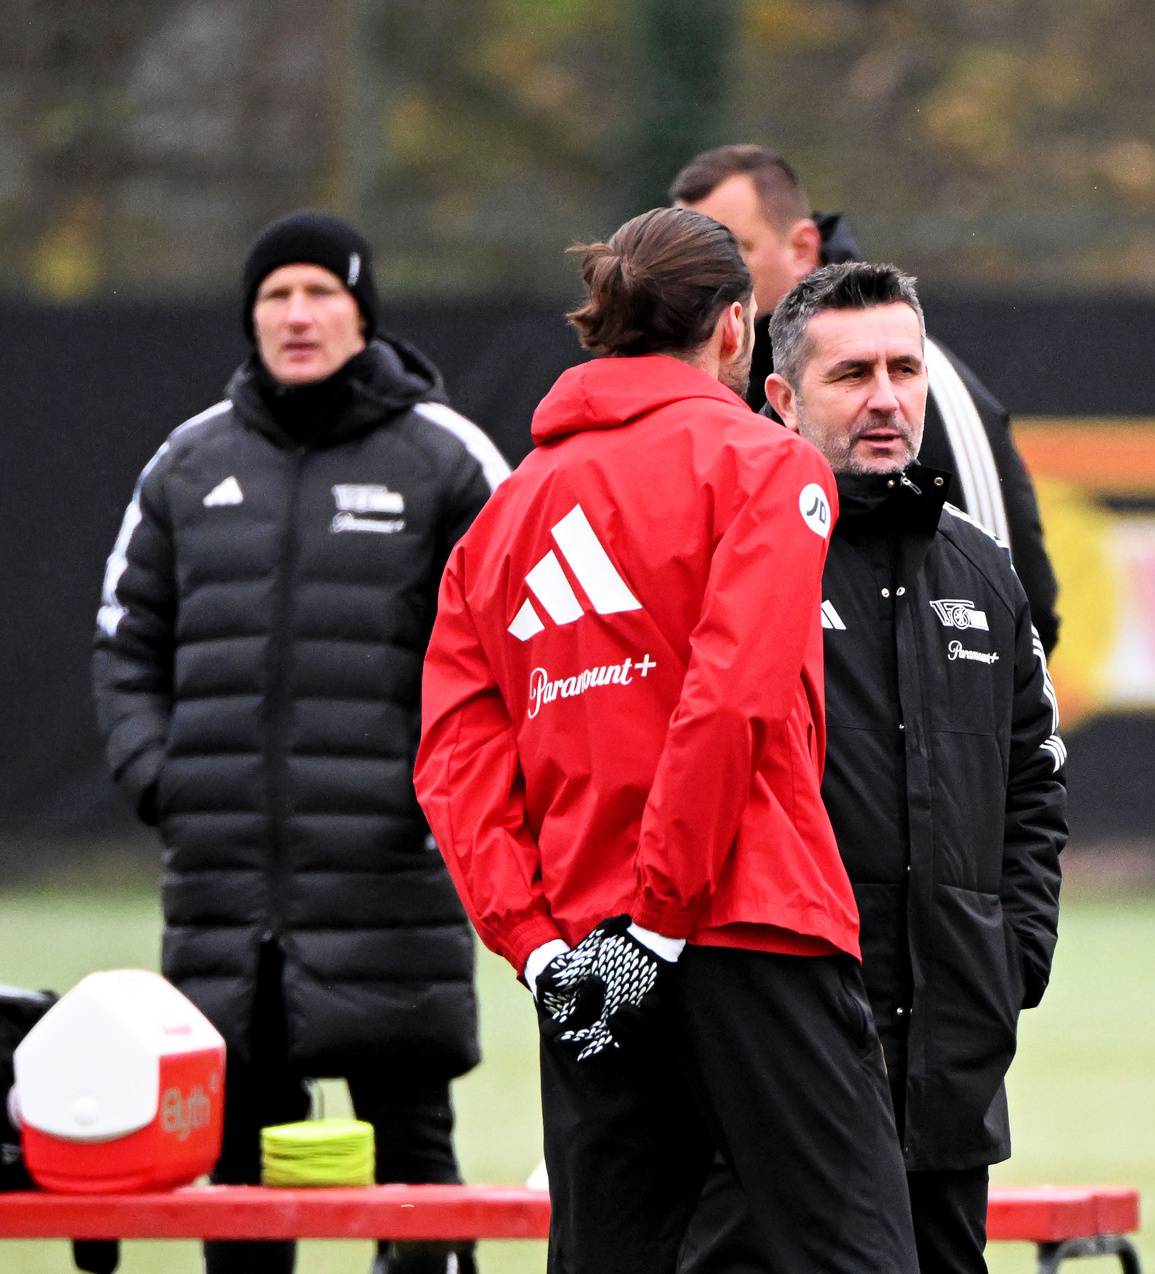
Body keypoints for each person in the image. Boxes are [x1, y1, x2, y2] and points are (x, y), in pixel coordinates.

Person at [413, 208, 918, 1274]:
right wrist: (660, 919)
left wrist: (545, 950)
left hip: (587, 958)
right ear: (737, 328)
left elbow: (456, 767)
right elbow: (729, 701)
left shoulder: (501, 521)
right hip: (748, 926)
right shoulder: (767, 468)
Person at [92, 210, 507, 1274]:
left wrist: (441, 797)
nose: (297, 313)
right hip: (225, 903)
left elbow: (517, 650)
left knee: (414, 1177)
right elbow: (124, 646)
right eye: (275, 295)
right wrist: (164, 778)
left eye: (320, 290)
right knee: (234, 1185)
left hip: (392, 890)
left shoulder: (446, 456)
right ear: (251, 317)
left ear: (363, 310)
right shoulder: (186, 464)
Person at [678, 262, 1067, 1274]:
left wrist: (1009, 955)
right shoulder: (738, 551)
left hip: (947, 1059)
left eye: (905, 367)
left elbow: (1034, 780)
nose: (887, 397)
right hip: (775, 1054)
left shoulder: (982, 567)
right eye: (853, 373)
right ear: (780, 397)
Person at [669, 143, 1062, 654]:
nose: (702, 282)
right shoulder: (709, 376)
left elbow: (1015, 605)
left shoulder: (929, 381)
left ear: (803, 248)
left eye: (730, 252)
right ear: (781, 398)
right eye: (689, 261)